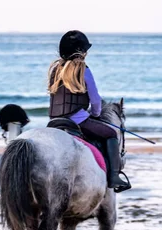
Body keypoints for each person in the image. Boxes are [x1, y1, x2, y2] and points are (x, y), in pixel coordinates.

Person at [48, 30, 129, 191]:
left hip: (54, 122)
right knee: (111, 134)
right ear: (81, 51)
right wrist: (96, 114)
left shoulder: (55, 70)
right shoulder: (83, 69)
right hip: (78, 121)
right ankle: (114, 176)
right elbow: (96, 100)